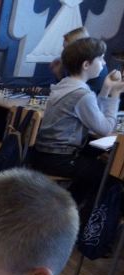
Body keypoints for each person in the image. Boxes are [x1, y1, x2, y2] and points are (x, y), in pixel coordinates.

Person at [30, 37, 124, 205]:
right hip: (60, 159)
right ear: (86, 65)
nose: (104, 63)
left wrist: (106, 88)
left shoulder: (66, 84)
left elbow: (95, 116)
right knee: (109, 175)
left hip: (43, 154)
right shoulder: (82, 94)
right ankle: (72, 207)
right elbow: (105, 129)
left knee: (95, 156)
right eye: (101, 58)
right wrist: (115, 95)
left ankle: (70, 202)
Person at [49, 27, 108, 94]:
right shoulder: (72, 62)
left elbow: (75, 93)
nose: (64, 52)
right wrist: (58, 74)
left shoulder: (98, 69)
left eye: (67, 49)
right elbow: (65, 86)